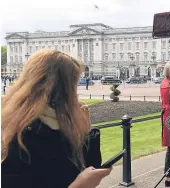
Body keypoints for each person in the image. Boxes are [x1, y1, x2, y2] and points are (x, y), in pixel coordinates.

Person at [1, 49, 112, 188]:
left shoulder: (59, 121)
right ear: (59, 89)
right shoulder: (17, 135)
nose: (75, 94)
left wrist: (86, 132)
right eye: (73, 86)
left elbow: (88, 170)